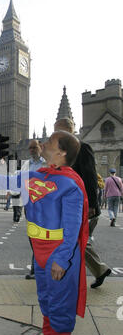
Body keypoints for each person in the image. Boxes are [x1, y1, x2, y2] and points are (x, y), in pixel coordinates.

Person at [23, 131, 88, 335]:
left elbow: (72, 229)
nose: (43, 144)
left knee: (60, 303)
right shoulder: (37, 174)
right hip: (38, 252)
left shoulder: (70, 185)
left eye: (49, 142)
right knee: (46, 297)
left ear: (61, 152)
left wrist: (62, 259)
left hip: (59, 255)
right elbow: (1, 181)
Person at [54, 118, 111, 289]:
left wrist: (92, 204)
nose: (55, 134)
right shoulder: (63, 151)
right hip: (68, 204)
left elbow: (90, 176)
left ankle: (88, 273)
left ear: (69, 130)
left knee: (75, 239)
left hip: (81, 204)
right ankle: (99, 270)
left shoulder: (82, 147)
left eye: (59, 130)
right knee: (77, 239)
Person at [25, 139, 45, 280]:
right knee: (33, 237)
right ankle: (36, 268)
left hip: (45, 205)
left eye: (34, 147)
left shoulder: (47, 163)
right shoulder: (26, 165)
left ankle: (36, 269)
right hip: (30, 205)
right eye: (30, 148)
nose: (32, 150)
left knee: (42, 237)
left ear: (40, 147)